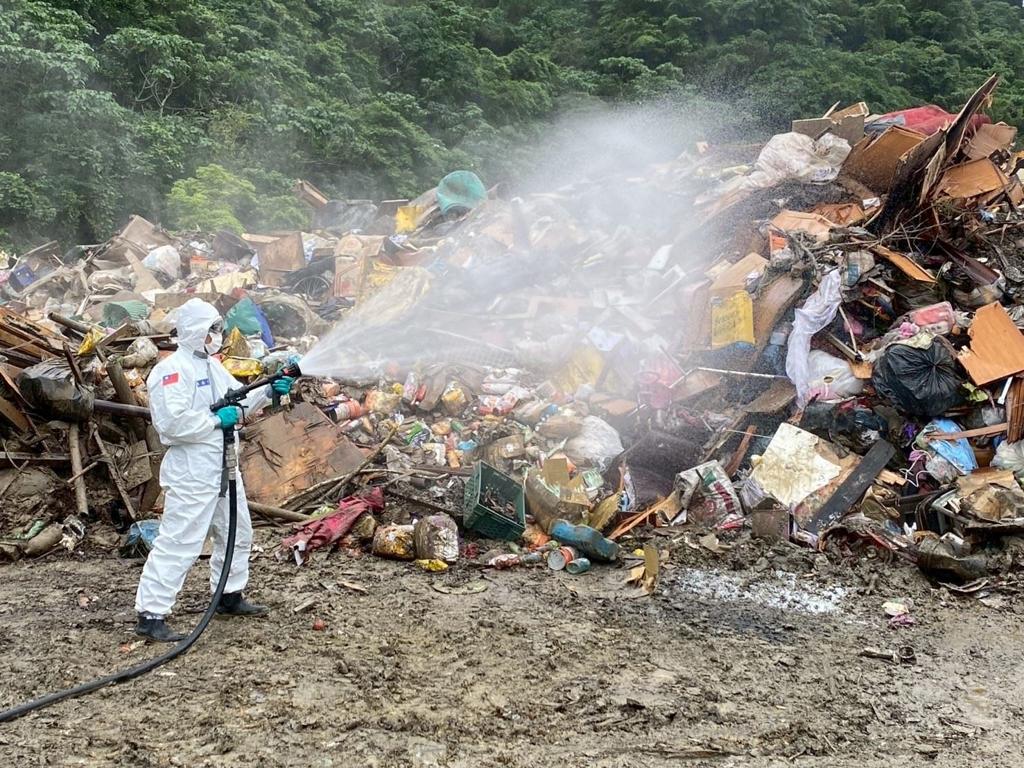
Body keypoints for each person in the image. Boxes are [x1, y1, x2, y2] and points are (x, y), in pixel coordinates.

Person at [134, 298, 294, 642]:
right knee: (181, 541)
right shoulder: (171, 371)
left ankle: (229, 594)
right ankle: (151, 613)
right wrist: (212, 421)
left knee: (237, 532)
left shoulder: (212, 366)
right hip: (193, 470)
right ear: (193, 330)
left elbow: (238, 401)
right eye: (211, 329)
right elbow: (171, 424)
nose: (217, 336)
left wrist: (269, 387)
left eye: (218, 329)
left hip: (223, 464)